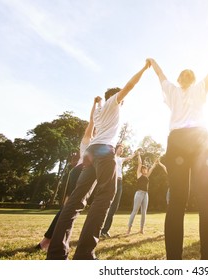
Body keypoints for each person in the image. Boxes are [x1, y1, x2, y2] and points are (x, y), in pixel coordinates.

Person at [147, 34, 208, 260]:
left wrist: (152, 62)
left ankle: (174, 262)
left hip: (178, 140)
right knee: (207, 197)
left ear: (180, 79)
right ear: (192, 79)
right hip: (199, 139)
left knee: (177, 200)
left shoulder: (172, 89)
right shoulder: (200, 88)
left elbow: (160, 75)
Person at [46, 61, 150, 260]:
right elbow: (129, 86)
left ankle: (56, 253)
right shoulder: (113, 102)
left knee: (76, 199)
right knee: (105, 196)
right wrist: (144, 69)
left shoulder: (100, 109)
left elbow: (91, 120)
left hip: (91, 153)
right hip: (104, 152)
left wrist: (95, 103)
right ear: (116, 96)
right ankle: (85, 253)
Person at [36, 96, 100, 251]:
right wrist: (95, 104)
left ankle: (48, 241)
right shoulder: (88, 140)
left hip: (83, 174)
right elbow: (92, 120)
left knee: (68, 209)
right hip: (79, 173)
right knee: (67, 210)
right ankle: (47, 241)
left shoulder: (101, 143)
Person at [100, 145, 137, 238]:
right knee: (106, 205)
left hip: (120, 182)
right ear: (116, 149)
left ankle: (105, 230)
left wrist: (136, 153)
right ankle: (99, 228)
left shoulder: (120, 159)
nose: (122, 150)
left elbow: (130, 157)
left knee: (114, 207)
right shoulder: (111, 157)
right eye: (120, 148)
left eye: (123, 149)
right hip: (112, 180)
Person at [127, 151, 158, 234]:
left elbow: (151, 169)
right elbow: (140, 164)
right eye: (144, 169)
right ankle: (129, 229)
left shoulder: (146, 176)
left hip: (145, 194)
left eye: (146, 169)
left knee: (144, 212)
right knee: (135, 211)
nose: (145, 170)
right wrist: (139, 155)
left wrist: (155, 163)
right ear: (141, 170)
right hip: (139, 193)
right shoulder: (139, 175)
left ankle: (141, 229)